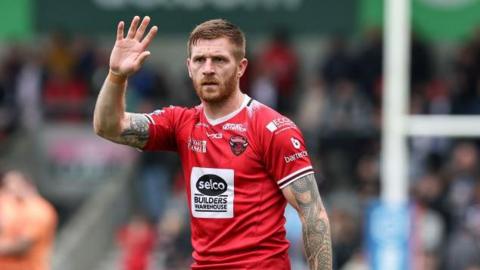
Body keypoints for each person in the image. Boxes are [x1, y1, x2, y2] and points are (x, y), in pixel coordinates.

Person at [93, 16, 332, 269]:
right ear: (188, 67)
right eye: (199, 60)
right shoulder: (181, 123)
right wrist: (116, 76)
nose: (208, 68)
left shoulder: (272, 128)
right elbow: (109, 126)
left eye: (219, 59)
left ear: (241, 67)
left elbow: (313, 214)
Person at [0, 170, 58, 270]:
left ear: (27, 185)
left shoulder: (38, 210)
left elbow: (23, 246)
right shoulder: (16, 206)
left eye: (13, 183)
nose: (9, 188)